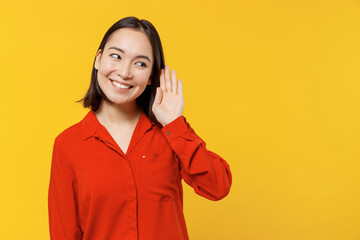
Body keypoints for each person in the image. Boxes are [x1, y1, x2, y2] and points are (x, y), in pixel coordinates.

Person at [48, 16, 232, 240]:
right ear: (98, 59)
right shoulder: (69, 145)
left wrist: (175, 124)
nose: (125, 72)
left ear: (152, 77)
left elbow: (218, 187)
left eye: (140, 63)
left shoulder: (171, 133)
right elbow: (64, 232)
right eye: (116, 56)